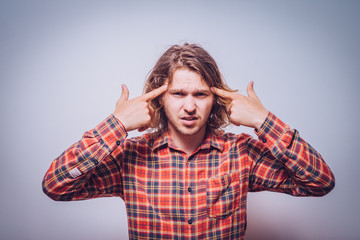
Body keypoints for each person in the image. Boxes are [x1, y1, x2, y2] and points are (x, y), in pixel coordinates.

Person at [42, 43, 335, 239]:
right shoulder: (130, 157)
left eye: (200, 94)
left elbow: (320, 182)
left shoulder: (241, 153)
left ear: (216, 98)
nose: (190, 107)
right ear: (160, 97)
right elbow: (56, 185)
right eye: (179, 94)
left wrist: (264, 120)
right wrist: (116, 125)